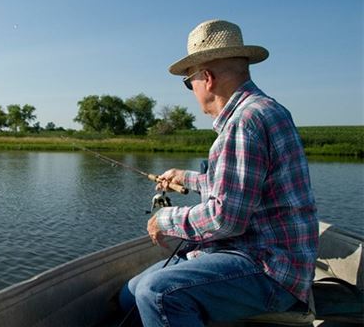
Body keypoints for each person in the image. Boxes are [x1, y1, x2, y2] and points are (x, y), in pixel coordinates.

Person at [119, 19, 319, 327]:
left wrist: (163, 219)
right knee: (128, 294)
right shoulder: (261, 110)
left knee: (156, 293)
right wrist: (184, 178)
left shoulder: (245, 122)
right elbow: (241, 188)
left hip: (270, 270)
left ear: (207, 78)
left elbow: (226, 218)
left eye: (189, 82)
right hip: (251, 254)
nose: (191, 90)